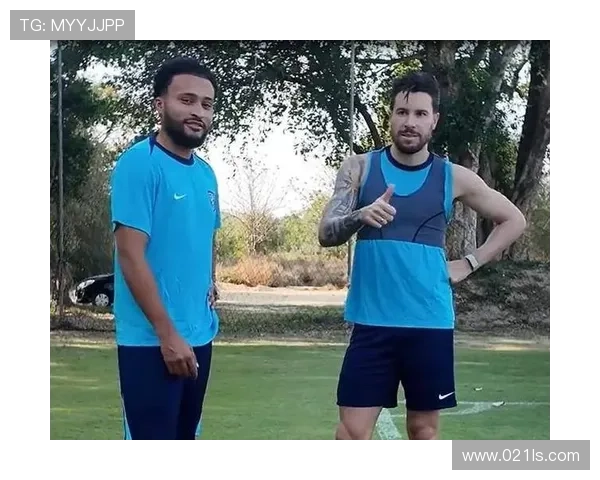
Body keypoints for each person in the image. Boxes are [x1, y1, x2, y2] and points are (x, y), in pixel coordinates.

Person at [317, 71, 526, 440]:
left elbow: (514, 220)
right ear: (390, 116)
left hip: (428, 323)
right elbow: (325, 232)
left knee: (423, 431)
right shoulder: (360, 168)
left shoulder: (453, 177)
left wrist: (470, 262)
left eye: (419, 114)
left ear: (434, 120)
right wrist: (359, 215)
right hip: (371, 323)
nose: (409, 122)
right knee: (351, 432)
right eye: (402, 112)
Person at [110, 57, 221, 440]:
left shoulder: (205, 173)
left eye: (206, 104)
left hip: (199, 335)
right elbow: (130, 254)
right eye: (186, 100)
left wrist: (211, 279)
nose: (198, 112)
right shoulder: (139, 164)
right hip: (152, 341)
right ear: (160, 104)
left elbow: (207, 236)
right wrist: (167, 334)